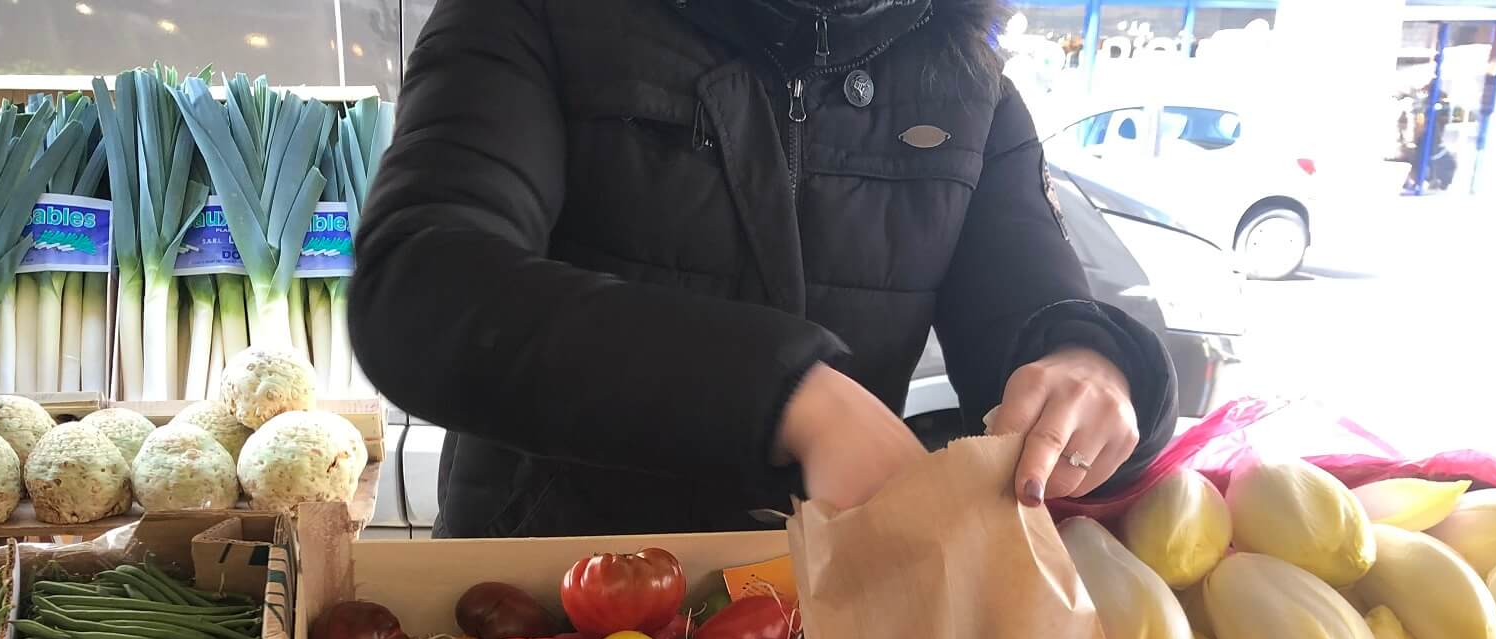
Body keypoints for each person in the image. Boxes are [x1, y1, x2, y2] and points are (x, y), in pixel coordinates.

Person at [350, 0, 1178, 537]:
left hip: (819, 628)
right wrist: (786, 397)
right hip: (547, 611)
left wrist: (1090, 361)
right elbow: (421, 284)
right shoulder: (533, 16)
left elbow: (1029, 300)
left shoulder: (967, 79)